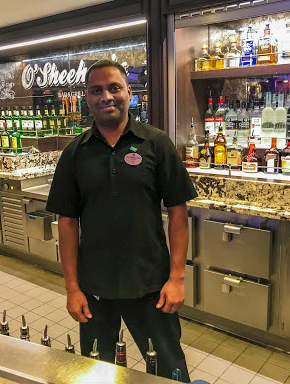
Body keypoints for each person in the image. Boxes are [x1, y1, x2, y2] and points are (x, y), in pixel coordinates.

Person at [46, 59, 197, 382]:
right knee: (97, 372)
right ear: (87, 97)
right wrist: (72, 287)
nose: (106, 96)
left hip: (151, 284)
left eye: (114, 88)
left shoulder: (156, 144)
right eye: (96, 90)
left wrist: (177, 278)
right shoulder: (76, 153)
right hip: (95, 288)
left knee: (170, 369)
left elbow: (178, 213)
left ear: (129, 92)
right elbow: (67, 222)